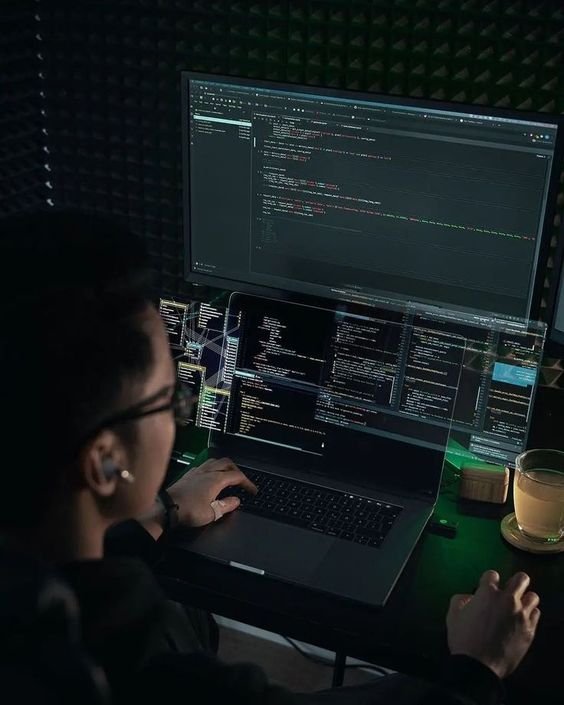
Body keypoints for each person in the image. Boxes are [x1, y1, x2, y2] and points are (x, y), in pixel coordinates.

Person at [0, 210, 540, 705]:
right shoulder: (129, 674)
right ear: (103, 462)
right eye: (171, 398)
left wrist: (159, 512)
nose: (181, 414)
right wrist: (478, 666)